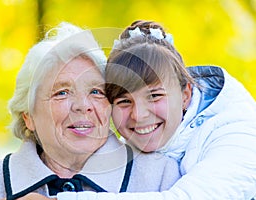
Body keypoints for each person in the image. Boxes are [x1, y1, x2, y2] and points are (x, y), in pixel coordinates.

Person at [0, 22, 180, 200]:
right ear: (28, 117)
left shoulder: (161, 176)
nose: (83, 105)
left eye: (96, 91)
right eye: (62, 93)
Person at [55, 20, 256, 199]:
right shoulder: (124, 150)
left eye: (154, 96)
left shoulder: (237, 132)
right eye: (124, 101)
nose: (139, 115)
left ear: (185, 94)